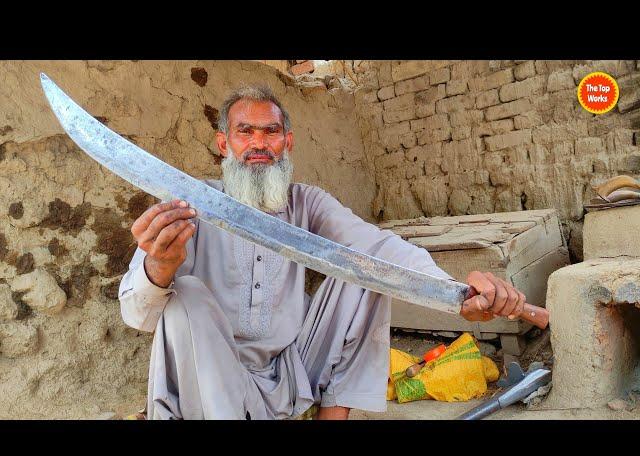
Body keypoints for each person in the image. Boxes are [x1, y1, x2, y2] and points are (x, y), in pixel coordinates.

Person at [118, 85, 527, 420]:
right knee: (185, 293)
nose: (259, 143)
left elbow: (378, 245)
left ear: (288, 142)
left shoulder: (306, 202)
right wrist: (159, 266)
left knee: (368, 271)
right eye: (245, 132)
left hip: (289, 375)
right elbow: (137, 316)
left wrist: (455, 293)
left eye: (271, 132)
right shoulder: (188, 203)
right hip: (208, 385)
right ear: (224, 144)